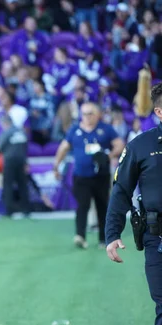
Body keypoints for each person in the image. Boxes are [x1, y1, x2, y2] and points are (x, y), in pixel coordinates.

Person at [105, 83, 162, 325]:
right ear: (160, 111)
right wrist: (112, 233)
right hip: (158, 238)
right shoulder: (141, 146)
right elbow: (121, 191)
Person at [53, 102, 124, 249]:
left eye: (90, 113)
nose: (87, 117)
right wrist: (56, 166)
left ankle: (103, 239)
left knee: (102, 206)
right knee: (82, 205)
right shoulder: (75, 130)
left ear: (97, 114)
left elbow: (120, 145)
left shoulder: (106, 129)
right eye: (84, 114)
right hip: (81, 175)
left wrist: (109, 155)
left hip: (101, 175)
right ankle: (80, 235)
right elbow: (63, 148)